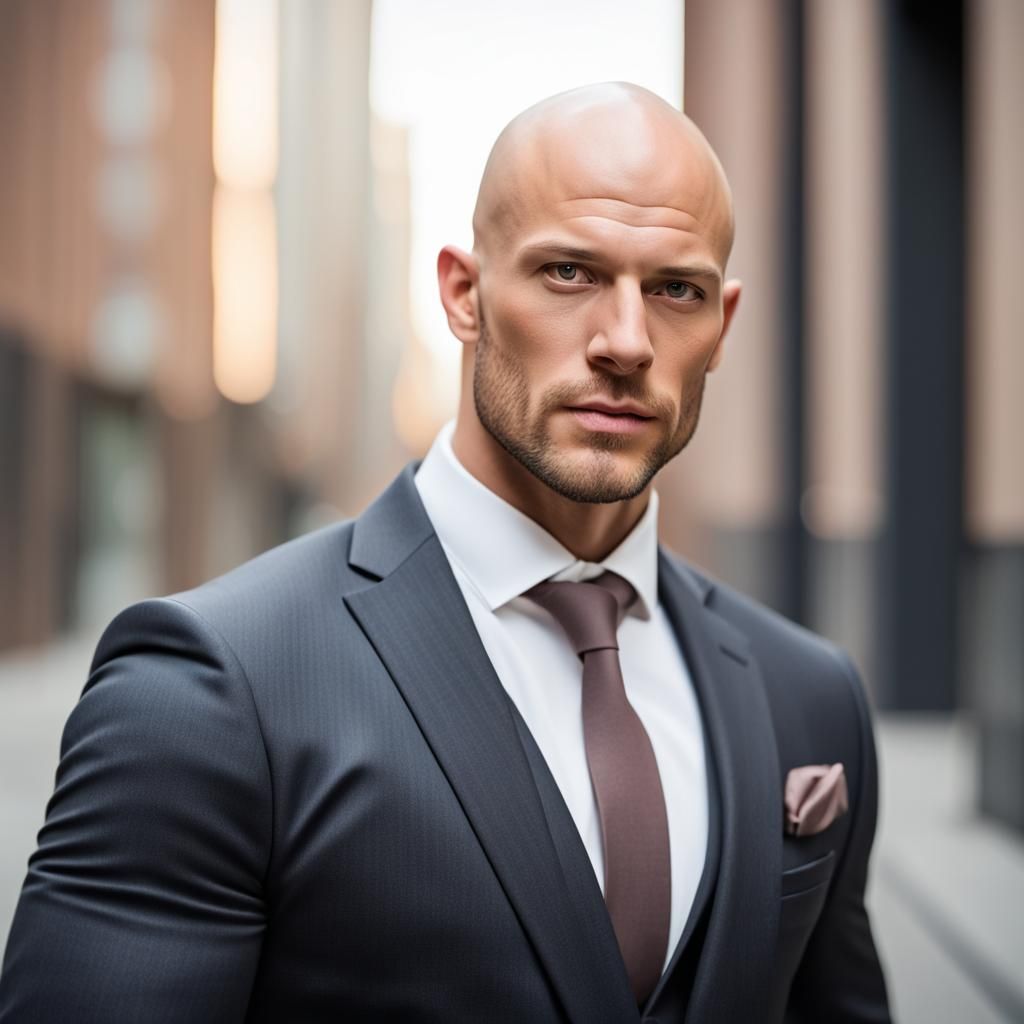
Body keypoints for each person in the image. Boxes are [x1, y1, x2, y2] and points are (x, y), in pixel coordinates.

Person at [0, 83, 891, 1023]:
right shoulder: (212, 688)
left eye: (676, 289)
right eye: (569, 273)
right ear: (463, 295)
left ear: (722, 325)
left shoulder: (811, 695)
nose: (627, 342)